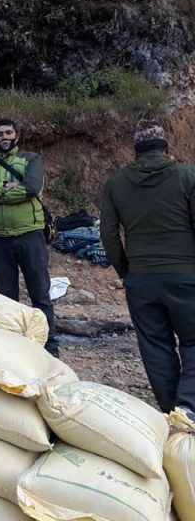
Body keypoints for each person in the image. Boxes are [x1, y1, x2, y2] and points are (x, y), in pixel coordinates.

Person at [100, 120, 195, 417]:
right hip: (185, 275)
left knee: (155, 345)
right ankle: (189, 407)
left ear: (136, 151)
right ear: (166, 147)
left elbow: (108, 234)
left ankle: (170, 410)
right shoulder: (187, 175)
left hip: (141, 278)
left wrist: (126, 272)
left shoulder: (116, 183)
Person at [0, 118, 58, 356]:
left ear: (16, 136)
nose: (4, 137)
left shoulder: (31, 159)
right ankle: (14, 349)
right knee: (7, 299)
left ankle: (49, 346)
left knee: (40, 294)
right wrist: (8, 186)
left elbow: (31, 187)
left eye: (8, 133)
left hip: (30, 234)